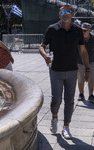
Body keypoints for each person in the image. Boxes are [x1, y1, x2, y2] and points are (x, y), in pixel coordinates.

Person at [39, 4, 90, 139]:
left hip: (72, 71)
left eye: (68, 12)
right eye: (62, 12)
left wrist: (87, 68)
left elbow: (83, 51)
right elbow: (42, 46)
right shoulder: (52, 29)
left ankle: (66, 126)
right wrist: (45, 56)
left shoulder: (77, 31)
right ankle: (54, 117)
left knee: (70, 101)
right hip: (56, 70)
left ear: (72, 14)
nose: (65, 14)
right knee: (56, 100)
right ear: (59, 15)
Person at [77, 23, 94, 103]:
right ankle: (81, 94)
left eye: (85, 30)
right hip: (80, 62)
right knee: (80, 79)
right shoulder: (78, 39)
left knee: (91, 79)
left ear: (89, 31)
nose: (83, 32)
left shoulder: (93, 39)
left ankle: (91, 95)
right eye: (82, 30)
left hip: (91, 62)